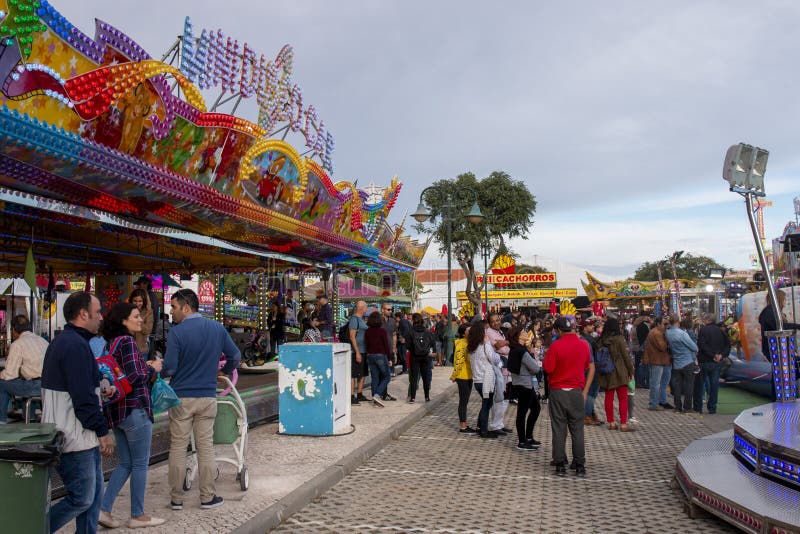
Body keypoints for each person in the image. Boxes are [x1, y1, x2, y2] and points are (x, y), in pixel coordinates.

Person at [42, 291, 115, 534]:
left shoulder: (69, 342)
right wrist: (102, 431)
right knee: (82, 498)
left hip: (79, 435)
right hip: (73, 436)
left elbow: (85, 387)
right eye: (96, 313)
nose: (100, 317)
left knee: (94, 497)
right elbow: (83, 399)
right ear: (83, 314)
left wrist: (100, 387)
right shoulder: (74, 346)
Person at [164, 288, 240, 511]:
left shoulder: (176, 333)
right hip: (207, 396)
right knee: (206, 447)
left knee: (178, 446)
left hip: (181, 398)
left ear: (186, 308)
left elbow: (169, 367)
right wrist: (224, 372)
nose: (172, 311)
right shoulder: (216, 328)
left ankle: (176, 499)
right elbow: (235, 355)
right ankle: (207, 497)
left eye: (174, 307)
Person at [98, 303, 165, 529]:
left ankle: (104, 509)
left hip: (117, 411)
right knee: (139, 464)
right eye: (136, 316)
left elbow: (124, 374)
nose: (140, 319)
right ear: (123, 321)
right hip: (135, 408)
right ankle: (138, 515)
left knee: (125, 463)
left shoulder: (110, 344)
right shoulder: (127, 341)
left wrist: (143, 367)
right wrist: (153, 368)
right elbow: (137, 375)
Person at [543, 316, 593, 477]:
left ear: (558, 330)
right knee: (577, 429)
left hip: (558, 391)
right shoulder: (583, 345)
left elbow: (548, 368)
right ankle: (579, 464)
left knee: (559, 428)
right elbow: (588, 366)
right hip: (577, 391)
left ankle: (559, 464)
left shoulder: (555, 346)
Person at [0, 315, 47, 424]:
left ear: (14, 330)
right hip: (48, 385)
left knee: (2, 384)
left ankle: (1, 421)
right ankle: (30, 417)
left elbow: (9, 375)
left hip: (36, 386)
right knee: (26, 380)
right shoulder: (42, 341)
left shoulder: (18, 344)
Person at [758, 290, 800, 402]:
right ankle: (779, 398)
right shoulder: (770, 312)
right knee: (780, 375)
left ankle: (784, 397)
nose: (786, 301)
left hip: (781, 347)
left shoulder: (773, 312)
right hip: (777, 348)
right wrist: (797, 326)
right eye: (784, 298)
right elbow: (780, 327)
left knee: (783, 374)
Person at [596, 317, 636, 431]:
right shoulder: (619, 339)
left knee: (609, 397)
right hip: (620, 370)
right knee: (623, 398)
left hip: (606, 371)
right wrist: (631, 371)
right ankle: (623, 424)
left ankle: (611, 423)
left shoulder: (602, 340)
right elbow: (626, 356)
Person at [507, 326, 542, 450]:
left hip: (520, 383)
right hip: (524, 384)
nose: (525, 333)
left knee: (535, 408)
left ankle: (528, 437)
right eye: (522, 332)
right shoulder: (522, 351)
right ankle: (522, 441)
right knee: (522, 413)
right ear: (518, 336)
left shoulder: (514, 349)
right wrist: (534, 367)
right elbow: (536, 368)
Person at [468, 320, 500, 439]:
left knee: (486, 403)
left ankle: (480, 426)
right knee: (487, 404)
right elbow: (493, 359)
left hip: (477, 380)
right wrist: (495, 354)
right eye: (485, 330)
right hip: (485, 379)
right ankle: (484, 430)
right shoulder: (484, 345)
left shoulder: (472, 346)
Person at [695, 313, 731, 413]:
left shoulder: (703, 330)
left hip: (704, 360)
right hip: (717, 361)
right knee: (714, 384)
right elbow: (727, 345)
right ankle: (712, 407)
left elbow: (702, 344)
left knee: (700, 384)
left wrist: (712, 354)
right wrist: (721, 355)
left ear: (707, 320)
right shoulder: (721, 331)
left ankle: (698, 407)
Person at [665, 315, 699, 414]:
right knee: (689, 385)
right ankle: (687, 407)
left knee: (677, 386)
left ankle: (677, 407)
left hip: (676, 361)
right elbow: (694, 347)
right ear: (677, 322)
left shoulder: (668, 333)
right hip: (687, 361)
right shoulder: (682, 333)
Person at [485, 313, 512, 434]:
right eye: (493, 321)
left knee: (505, 396)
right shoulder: (489, 332)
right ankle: (495, 425)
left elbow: (503, 344)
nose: (496, 323)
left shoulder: (500, 332)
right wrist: (508, 342)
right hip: (499, 368)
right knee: (499, 396)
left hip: (506, 367)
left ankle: (499, 423)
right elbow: (498, 346)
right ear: (489, 323)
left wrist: (505, 342)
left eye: (497, 320)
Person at [642, 316, 673, 411]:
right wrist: (668, 340)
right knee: (656, 383)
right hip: (657, 361)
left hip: (663, 360)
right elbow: (662, 347)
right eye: (664, 324)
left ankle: (662, 401)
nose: (666, 326)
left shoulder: (658, 332)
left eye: (667, 324)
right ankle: (654, 403)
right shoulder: (656, 333)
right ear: (658, 324)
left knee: (663, 383)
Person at [450, 323, 475, 433]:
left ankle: (465, 424)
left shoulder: (470, 343)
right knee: (463, 401)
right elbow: (458, 361)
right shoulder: (461, 344)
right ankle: (463, 426)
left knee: (466, 400)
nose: (471, 332)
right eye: (469, 330)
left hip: (469, 375)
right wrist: (454, 375)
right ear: (463, 333)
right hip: (462, 376)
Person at [365, 311, 393, 406]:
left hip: (370, 355)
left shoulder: (367, 331)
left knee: (375, 378)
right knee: (387, 377)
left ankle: (374, 397)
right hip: (380, 355)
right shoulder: (382, 331)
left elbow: (367, 344)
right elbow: (386, 346)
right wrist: (389, 359)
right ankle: (377, 395)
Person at [578, 319, 602, 426]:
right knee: (590, 393)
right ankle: (587, 415)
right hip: (590, 368)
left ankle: (590, 414)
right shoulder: (586, 340)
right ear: (584, 327)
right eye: (590, 325)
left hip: (591, 367)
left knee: (592, 393)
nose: (592, 327)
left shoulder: (590, 338)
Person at [408, 313, 435, 402]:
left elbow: (408, 345)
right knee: (425, 377)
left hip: (414, 356)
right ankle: (426, 396)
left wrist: (413, 350)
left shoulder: (411, 331)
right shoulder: (427, 331)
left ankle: (412, 397)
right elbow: (432, 343)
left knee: (414, 377)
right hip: (425, 356)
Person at [348, 301, 369, 404]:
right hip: (356, 351)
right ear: (361, 308)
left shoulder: (361, 320)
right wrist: (357, 352)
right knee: (354, 374)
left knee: (363, 373)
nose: (367, 309)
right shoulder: (354, 319)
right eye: (366, 307)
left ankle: (360, 394)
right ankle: (352, 396)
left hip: (364, 350)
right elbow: (352, 336)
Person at [127, 289, 153, 356]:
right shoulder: (127, 310)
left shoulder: (148, 312)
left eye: (140, 301)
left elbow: (147, 330)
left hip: (142, 349)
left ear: (144, 301)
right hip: (128, 349)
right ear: (131, 300)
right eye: (135, 301)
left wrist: (137, 318)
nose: (137, 303)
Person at [633, 315, 651, 388]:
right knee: (644, 366)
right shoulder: (643, 326)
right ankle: (644, 382)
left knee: (638, 366)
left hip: (636, 348)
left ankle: (638, 381)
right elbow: (645, 338)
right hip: (642, 348)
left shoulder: (634, 328)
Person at [381, 304, 397, 372]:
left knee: (388, 374)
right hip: (380, 351)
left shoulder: (393, 321)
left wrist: (394, 350)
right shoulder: (378, 320)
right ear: (382, 310)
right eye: (388, 309)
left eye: (391, 309)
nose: (390, 311)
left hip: (390, 351)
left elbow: (394, 335)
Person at [395, 311, 412, 375]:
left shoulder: (402, 321)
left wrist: (403, 338)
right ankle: (405, 369)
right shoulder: (404, 321)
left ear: (398, 317)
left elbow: (406, 330)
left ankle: (405, 369)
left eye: (395, 317)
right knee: (402, 355)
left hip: (403, 341)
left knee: (403, 355)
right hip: (403, 341)